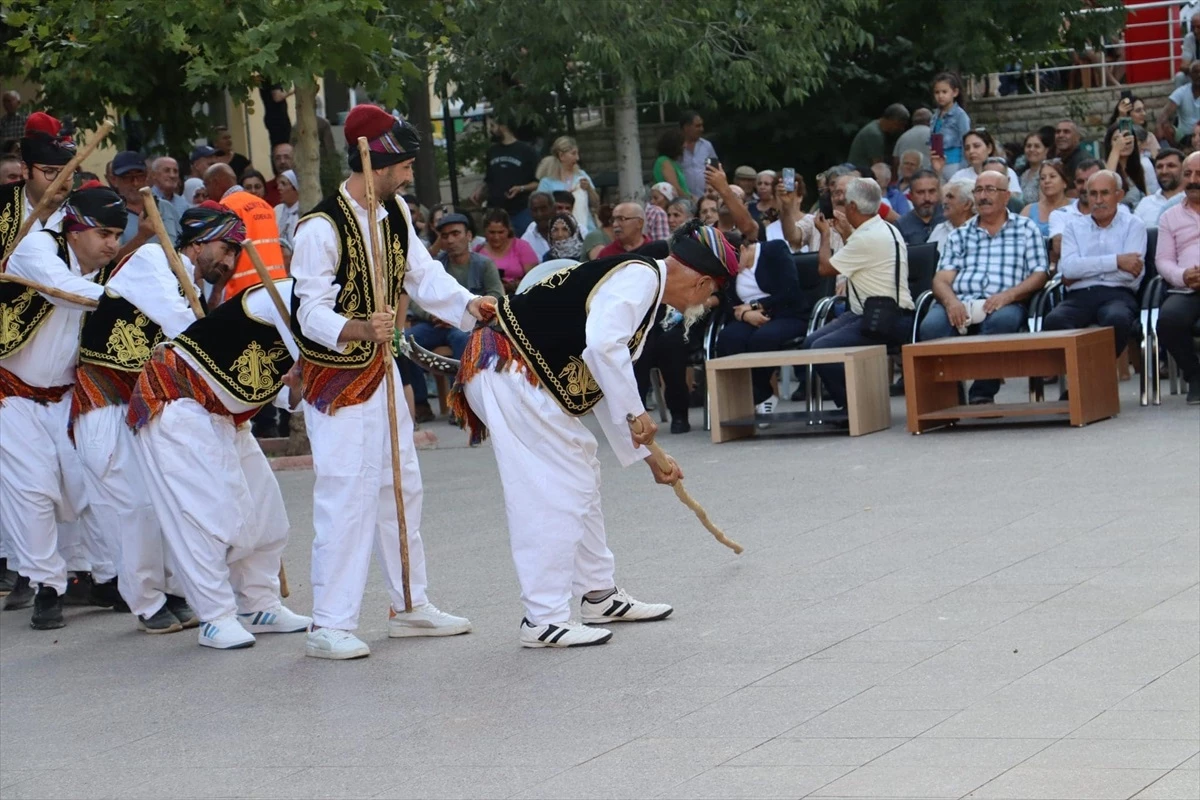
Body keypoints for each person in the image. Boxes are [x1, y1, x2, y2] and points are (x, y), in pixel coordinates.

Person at [450, 223, 737, 647]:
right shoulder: (641, 277)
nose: (702, 304)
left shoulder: (643, 286)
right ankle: (543, 619)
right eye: (710, 295)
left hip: (514, 373)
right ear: (702, 281)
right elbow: (604, 349)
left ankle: (598, 593)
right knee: (553, 487)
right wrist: (638, 415)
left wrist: (647, 456)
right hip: (508, 368)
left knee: (581, 467)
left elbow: (599, 380)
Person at [291, 105, 498, 660]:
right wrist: (357, 326)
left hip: (382, 375)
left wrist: (468, 306)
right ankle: (328, 624)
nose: (409, 176)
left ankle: (409, 606)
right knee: (348, 493)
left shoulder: (396, 213)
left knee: (401, 487)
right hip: (337, 382)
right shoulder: (319, 227)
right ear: (373, 162)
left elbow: (424, 276)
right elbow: (307, 310)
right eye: (403, 165)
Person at [72, 204, 245, 633]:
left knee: (162, 502)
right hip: (104, 402)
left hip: (141, 406)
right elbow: (185, 330)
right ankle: (146, 601)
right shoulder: (153, 261)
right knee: (133, 507)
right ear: (201, 241)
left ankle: (170, 590)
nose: (229, 262)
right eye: (226, 248)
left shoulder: (195, 288)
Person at [128, 267, 310, 649]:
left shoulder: (329, 313)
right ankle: (215, 617)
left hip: (229, 416)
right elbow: (315, 330)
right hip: (177, 403)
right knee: (206, 518)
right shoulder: (284, 297)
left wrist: (299, 384)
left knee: (266, 513)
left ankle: (259, 605)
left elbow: (287, 396)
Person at [0, 185, 126, 630]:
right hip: (13, 394)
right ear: (75, 230)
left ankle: (103, 576)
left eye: (118, 234)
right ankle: (47, 588)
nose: (112, 243)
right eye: (104, 232)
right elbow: (61, 291)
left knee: (86, 482)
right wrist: (127, 301)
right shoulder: (38, 248)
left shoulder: (105, 275)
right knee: (33, 490)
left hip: (68, 393)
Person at [918, 170, 1050, 403]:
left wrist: (1009, 295)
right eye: (979, 190)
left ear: (1006, 196)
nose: (983, 196)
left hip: (1005, 301)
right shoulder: (960, 234)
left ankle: (982, 392)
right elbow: (941, 279)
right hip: (961, 299)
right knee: (931, 327)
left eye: (991, 190)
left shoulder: (1026, 229)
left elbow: (1040, 274)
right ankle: (949, 396)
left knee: (1003, 322)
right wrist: (951, 302)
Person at [805, 178, 914, 408]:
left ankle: (856, 408)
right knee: (810, 343)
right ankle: (855, 404)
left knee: (820, 349)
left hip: (883, 319)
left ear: (853, 207)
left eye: (844, 203)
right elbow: (858, 258)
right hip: (873, 311)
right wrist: (846, 233)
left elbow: (825, 268)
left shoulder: (866, 237)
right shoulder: (883, 227)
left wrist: (825, 234)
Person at [1043, 170, 1146, 368]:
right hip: (1079, 296)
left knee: (1117, 319)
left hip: (1118, 294)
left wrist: (1085, 269)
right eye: (1093, 194)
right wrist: (1116, 261)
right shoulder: (1074, 227)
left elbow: (1131, 274)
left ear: (1119, 195)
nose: (1098, 200)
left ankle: (1092, 381)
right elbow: (1069, 269)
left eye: (1105, 193)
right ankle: (1083, 382)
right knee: (1054, 321)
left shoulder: (1134, 225)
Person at [715, 237, 808, 421]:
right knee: (728, 339)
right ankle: (752, 399)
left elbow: (790, 290)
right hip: (748, 317)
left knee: (763, 339)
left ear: (743, 249)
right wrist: (744, 315)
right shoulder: (730, 268)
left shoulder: (774, 250)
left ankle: (762, 395)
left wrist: (757, 306)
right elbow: (727, 301)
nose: (732, 268)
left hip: (786, 314)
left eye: (734, 261)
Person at [202, 163, 287, 303]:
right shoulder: (264, 205)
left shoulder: (226, 207)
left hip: (246, 292)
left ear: (215, 182)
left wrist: (216, 292)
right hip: (277, 286)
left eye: (207, 185)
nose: (206, 192)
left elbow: (229, 253)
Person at [1154, 151, 1200, 404]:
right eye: (1188, 174)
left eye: (1199, 174)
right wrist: (1183, 275)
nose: (1193, 180)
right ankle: (1195, 376)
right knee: (1168, 320)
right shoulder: (1169, 216)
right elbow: (1162, 260)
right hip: (1187, 286)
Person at [470, 119, 540, 233]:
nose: (491, 130)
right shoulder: (492, 151)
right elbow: (489, 179)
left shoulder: (527, 151)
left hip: (519, 211)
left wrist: (521, 188)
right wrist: (479, 190)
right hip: (494, 212)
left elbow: (537, 182)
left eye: (493, 126)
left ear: (503, 127)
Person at [111, 151, 182, 260]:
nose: (135, 183)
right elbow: (111, 262)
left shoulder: (166, 207)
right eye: (127, 178)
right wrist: (142, 236)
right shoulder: (111, 213)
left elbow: (182, 244)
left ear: (147, 176)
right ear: (114, 180)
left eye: (140, 176)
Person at [537, 136, 598, 235]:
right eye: (573, 154)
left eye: (577, 153)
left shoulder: (581, 175)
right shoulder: (547, 182)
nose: (577, 158)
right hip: (560, 233)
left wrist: (589, 189)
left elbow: (596, 203)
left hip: (587, 231)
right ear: (561, 156)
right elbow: (541, 209)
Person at [1049, 158, 1105, 265]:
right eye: (1080, 182)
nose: (1084, 187)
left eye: (1090, 181)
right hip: (1070, 278)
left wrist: (1074, 242)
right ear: (1075, 184)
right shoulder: (1061, 214)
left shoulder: (1120, 210)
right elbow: (1059, 248)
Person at [473, 208, 539, 294]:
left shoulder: (522, 246)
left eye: (501, 232)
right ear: (485, 231)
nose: (496, 237)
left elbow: (534, 278)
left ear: (508, 230)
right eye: (492, 232)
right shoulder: (478, 251)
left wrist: (514, 285)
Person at [944, 129, 1022, 194]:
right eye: (967, 148)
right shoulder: (960, 176)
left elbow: (1015, 200)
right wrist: (938, 170)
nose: (971, 151)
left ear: (989, 148)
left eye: (976, 146)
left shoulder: (1007, 172)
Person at [930, 73, 971, 178]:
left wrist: (964, 167)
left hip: (954, 163)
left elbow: (966, 141)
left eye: (944, 92)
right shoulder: (935, 116)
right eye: (937, 92)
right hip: (937, 163)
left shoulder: (960, 115)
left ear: (955, 92)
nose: (940, 96)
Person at [848, 104, 911, 169]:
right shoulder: (874, 135)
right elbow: (878, 166)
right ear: (892, 120)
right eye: (900, 124)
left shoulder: (876, 128)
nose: (901, 128)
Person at [1020, 160, 1072, 237]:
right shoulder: (1028, 211)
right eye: (1042, 178)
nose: (1047, 181)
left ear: (1064, 182)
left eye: (1052, 176)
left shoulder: (1077, 207)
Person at [1134, 149, 1187, 225]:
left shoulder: (1193, 200)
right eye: (1159, 167)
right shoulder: (1145, 203)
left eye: (1171, 166)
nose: (1164, 171)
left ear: (1184, 170)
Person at [1103, 124, 1148, 208]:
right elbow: (1106, 182)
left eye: (1127, 138)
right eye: (1117, 139)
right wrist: (1116, 150)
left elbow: (1148, 197)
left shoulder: (1137, 169)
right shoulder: (1104, 168)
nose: (1124, 142)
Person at [896, 169, 945, 245]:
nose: (927, 198)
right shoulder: (901, 226)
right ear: (910, 195)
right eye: (920, 192)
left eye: (932, 191)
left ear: (939, 192)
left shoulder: (950, 218)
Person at [928, 178, 976, 251]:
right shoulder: (939, 229)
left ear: (967, 204)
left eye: (950, 197)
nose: (944, 202)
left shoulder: (980, 231)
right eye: (945, 197)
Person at [1159, 61, 1200, 146]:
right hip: (1184, 136)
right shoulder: (1181, 92)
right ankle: (1178, 150)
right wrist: (1161, 125)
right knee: (1166, 127)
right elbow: (1164, 114)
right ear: (1190, 75)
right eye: (1196, 72)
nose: (1199, 75)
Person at [678, 110, 718, 198]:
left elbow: (715, 170)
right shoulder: (676, 147)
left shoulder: (707, 146)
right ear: (686, 127)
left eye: (701, 125)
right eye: (697, 126)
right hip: (684, 199)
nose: (702, 129)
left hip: (706, 197)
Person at [1109, 94, 1161, 159]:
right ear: (1128, 114)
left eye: (1144, 110)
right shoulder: (1117, 137)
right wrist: (1122, 116)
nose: (1143, 113)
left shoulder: (1149, 137)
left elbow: (1157, 160)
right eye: (1138, 111)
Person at [1019, 130, 1053, 207]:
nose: (1031, 149)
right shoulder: (1024, 174)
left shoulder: (1048, 173)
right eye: (1028, 146)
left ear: (1046, 150)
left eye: (1037, 146)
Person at [653, 127, 690, 198]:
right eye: (682, 143)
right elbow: (675, 188)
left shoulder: (672, 162)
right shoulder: (664, 162)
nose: (685, 145)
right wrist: (690, 200)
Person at [273, 169, 300, 258]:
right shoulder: (277, 210)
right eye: (279, 184)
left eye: (283, 184)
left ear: (295, 188)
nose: (279, 188)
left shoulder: (302, 211)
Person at [520, 191, 554, 259]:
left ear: (553, 209)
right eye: (535, 210)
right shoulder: (527, 240)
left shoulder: (575, 230)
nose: (539, 214)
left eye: (543, 209)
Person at [263, 142, 293, 207]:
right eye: (278, 158)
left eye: (286, 157)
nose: (282, 161)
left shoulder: (303, 187)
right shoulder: (266, 189)